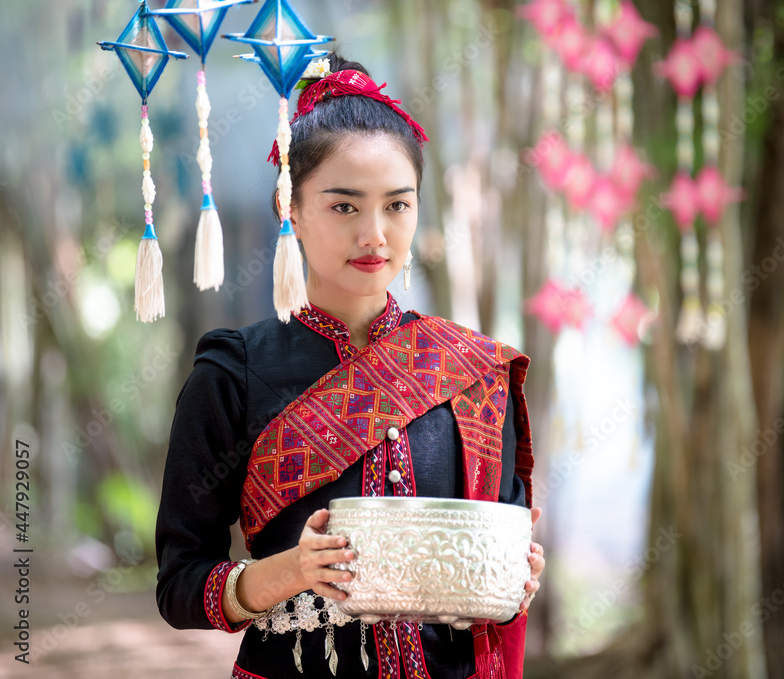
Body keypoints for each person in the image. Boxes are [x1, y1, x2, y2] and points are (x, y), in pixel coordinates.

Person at [154, 50, 545, 679]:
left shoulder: (474, 372)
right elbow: (180, 587)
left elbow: (498, 566)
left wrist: (513, 580)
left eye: (398, 205)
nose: (375, 235)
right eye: (344, 206)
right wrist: (291, 571)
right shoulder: (233, 375)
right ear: (289, 208)